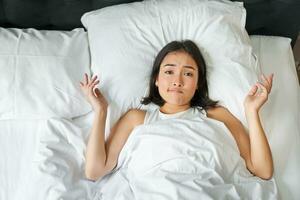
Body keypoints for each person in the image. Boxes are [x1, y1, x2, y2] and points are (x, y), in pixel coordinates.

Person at [79, 40, 274, 182]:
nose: (177, 81)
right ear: (156, 79)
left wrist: (252, 111)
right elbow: (95, 171)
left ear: (198, 84)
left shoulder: (217, 115)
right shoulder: (136, 118)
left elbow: (262, 170)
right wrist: (101, 111)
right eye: (169, 71)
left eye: (188, 73)